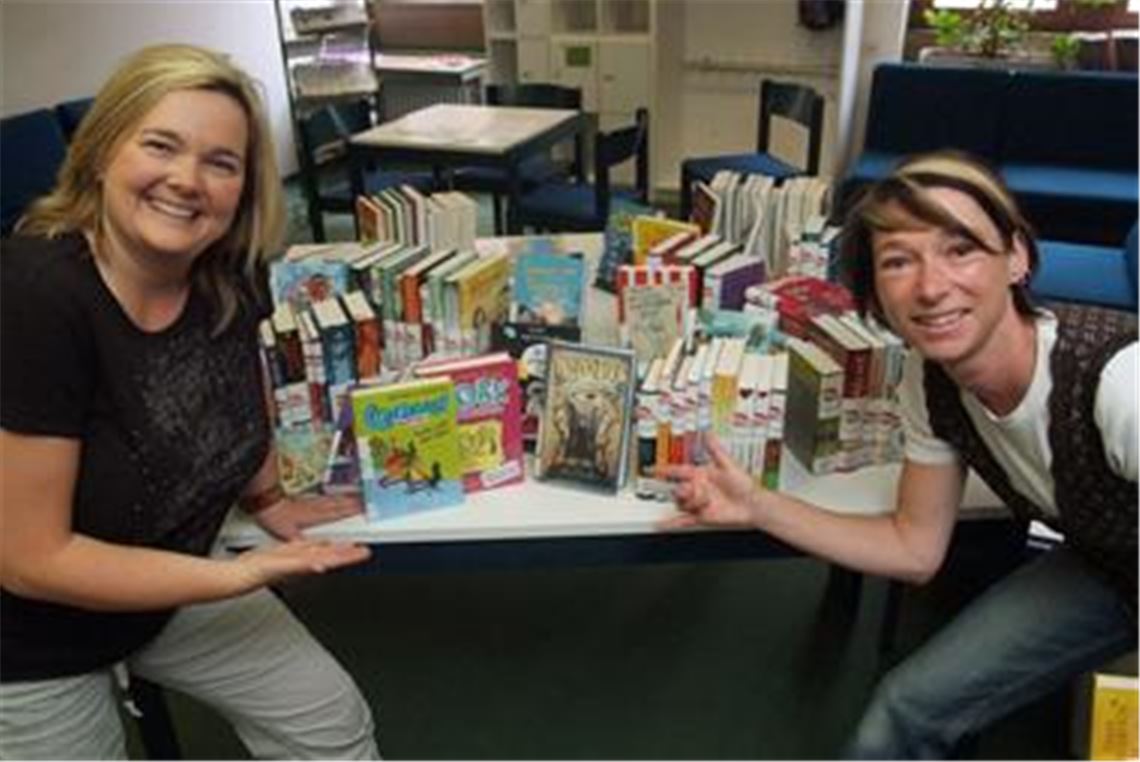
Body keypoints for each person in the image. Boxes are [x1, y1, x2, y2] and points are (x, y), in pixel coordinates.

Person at [659, 151, 1137, 758]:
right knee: (902, 710)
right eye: (898, 261)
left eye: (960, 250)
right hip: (1107, 566)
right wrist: (758, 506)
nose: (932, 287)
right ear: (876, 294)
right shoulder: (927, 378)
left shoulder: (1120, 383)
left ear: (1016, 258)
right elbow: (914, 548)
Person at [1, 44, 380, 759]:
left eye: (221, 162)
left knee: (330, 722)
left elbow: (238, 386)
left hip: (163, 585)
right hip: (28, 639)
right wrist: (235, 574)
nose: (187, 180)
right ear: (103, 151)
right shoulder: (34, 297)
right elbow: (29, 559)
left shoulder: (227, 272)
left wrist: (267, 497)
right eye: (161, 146)